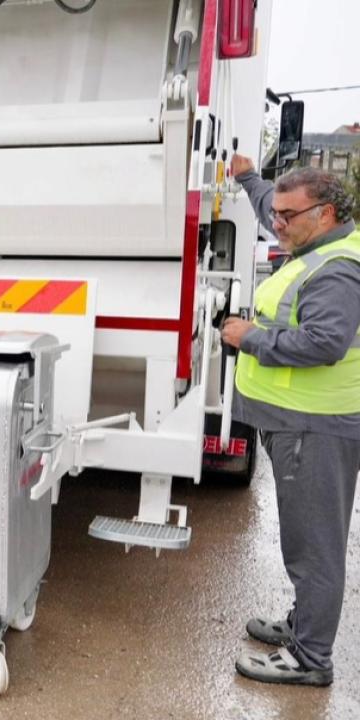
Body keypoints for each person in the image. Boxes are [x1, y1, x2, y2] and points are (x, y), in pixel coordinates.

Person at [223, 158, 360, 687]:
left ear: (324, 214)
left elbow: (323, 343)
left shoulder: (338, 269)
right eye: (273, 213)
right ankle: (304, 627)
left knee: (313, 546)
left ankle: (310, 659)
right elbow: (268, 205)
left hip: (315, 428)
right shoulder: (315, 243)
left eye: (286, 216)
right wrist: (248, 177)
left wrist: (247, 337)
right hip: (299, 421)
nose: (275, 224)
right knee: (305, 540)